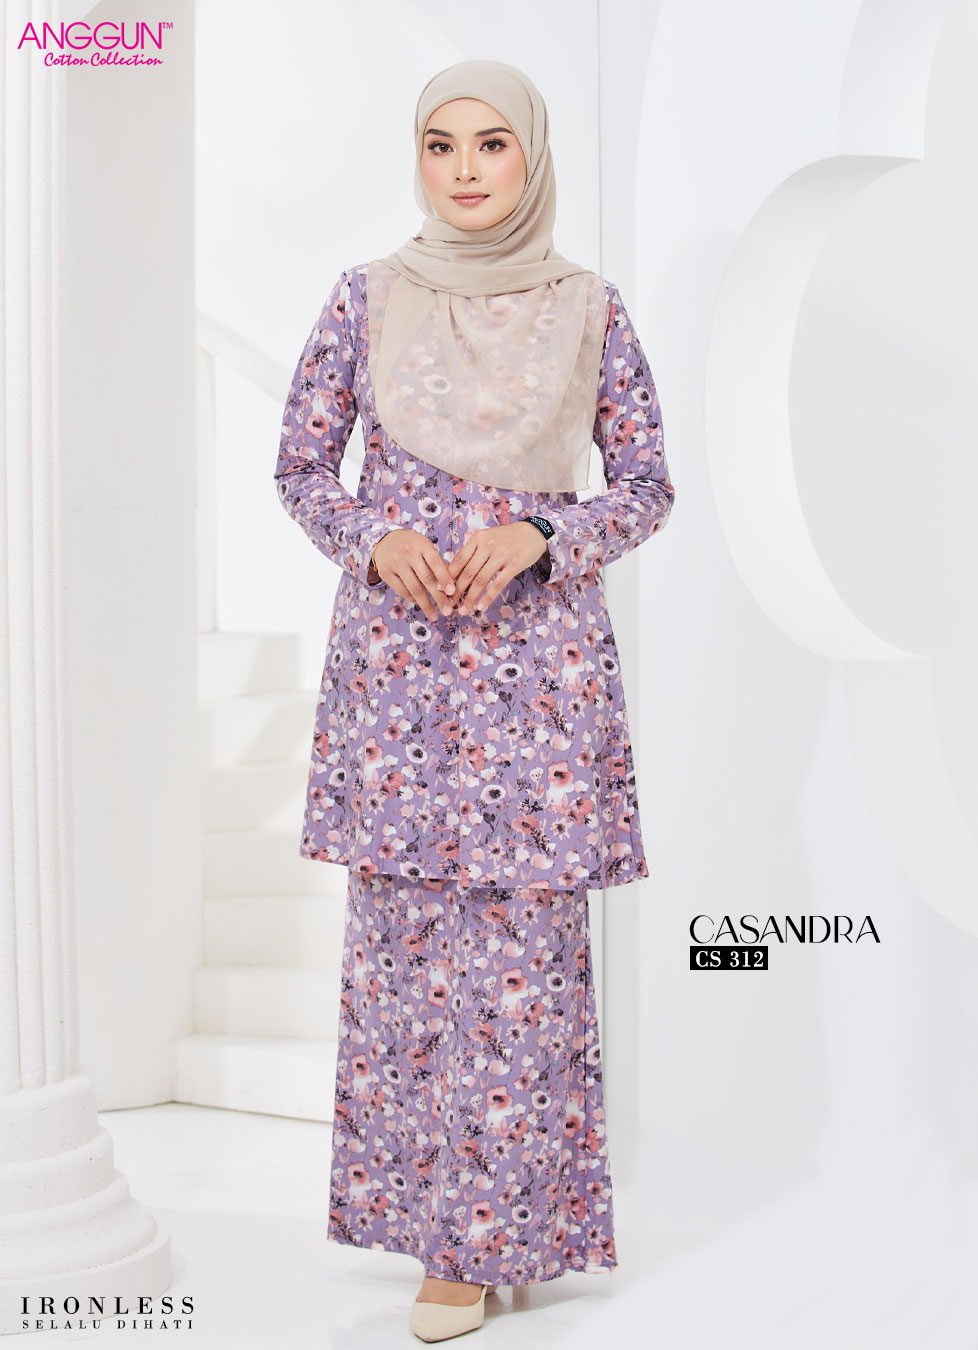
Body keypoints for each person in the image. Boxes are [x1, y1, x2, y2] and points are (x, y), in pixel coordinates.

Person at [273, 58, 675, 1344]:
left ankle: (508, 1236)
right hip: (401, 682)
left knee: (526, 970)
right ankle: (442, 1242)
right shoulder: (367, 298)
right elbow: (301, 467)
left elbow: (648, 484)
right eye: (440, 144)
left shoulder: (589, 308)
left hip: (537, 681)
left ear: (531, 157)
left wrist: (546, 537)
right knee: (403, 967)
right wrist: (374, 539)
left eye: (492, 144)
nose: (463, 169)